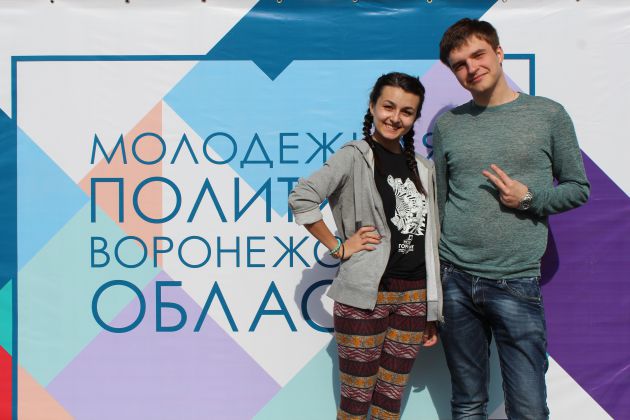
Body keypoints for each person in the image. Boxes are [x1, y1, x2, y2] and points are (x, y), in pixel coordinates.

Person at [432, 18, 590, 420]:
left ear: (499, 53)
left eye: (478, 55)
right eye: (460, 64)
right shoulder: (449, 126)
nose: (472, 68)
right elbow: (441, 203)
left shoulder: (548, 114)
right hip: (455, 279)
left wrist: (528, 199)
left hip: (516, 281)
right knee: (467, 404)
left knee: (529, 409)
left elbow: (578, 188)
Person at [289, 72, 443, 420]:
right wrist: (339, 247)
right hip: (364, 297)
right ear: (372, 106)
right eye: (388, 106)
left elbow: (430, 242)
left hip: (414, 299)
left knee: (389, 404)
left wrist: (431, 310)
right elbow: (302, 197)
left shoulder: (423, 168)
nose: (395, 117)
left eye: (406, 111)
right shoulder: (354, 156)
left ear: (415, 118)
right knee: (356, 404)